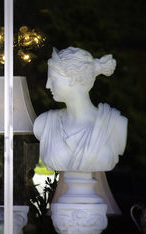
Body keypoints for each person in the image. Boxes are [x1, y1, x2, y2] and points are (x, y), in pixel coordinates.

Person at [33, 46, 127, 202]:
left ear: (73, 78)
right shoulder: (44, 123)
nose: (47, 85)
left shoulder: (116, 123)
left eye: (53, 79)